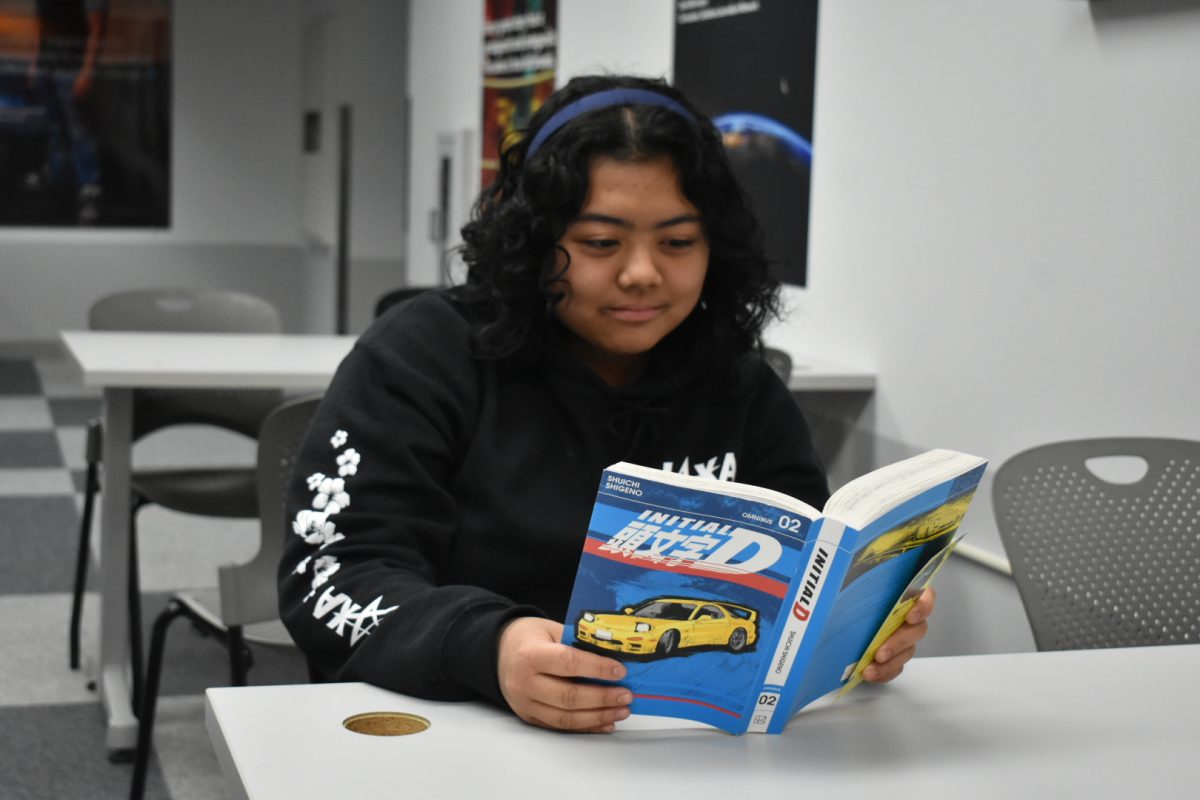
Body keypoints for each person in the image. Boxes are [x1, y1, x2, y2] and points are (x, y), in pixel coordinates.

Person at [278, 74, 936, 733]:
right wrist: (491, 648)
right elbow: (337, 571)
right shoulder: (423, 354)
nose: (643, 272)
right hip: (460, 733)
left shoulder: (738, 384)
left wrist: (853, 629)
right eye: (600, 243)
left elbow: (796, 585)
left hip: (683, 755)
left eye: (678, 242)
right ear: (535, 241)